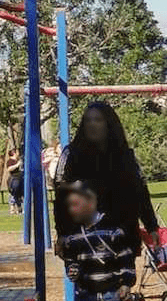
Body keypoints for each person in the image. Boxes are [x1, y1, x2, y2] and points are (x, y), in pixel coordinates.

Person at [54, 101, 160, 257]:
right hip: (83, 235)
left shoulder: (124, 156)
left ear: (108, 124)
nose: (92, 125)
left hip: (120, 233)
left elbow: (139, 191)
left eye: (98, 120)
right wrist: (62, 233)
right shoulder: (72, 154)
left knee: (122, 279)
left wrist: (151, 226)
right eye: (88, 120)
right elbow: (62, 196)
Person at [60, 181, 134, 301]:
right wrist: (73, 269)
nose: (73, 210)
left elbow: (126, 258)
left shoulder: (112, 230)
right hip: (87, 295)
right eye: (70, 206)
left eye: (76, 205)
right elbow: (71, 260)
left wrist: (126, 283)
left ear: (91, 204)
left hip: (112, 294)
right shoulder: (73, 234)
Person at [6, 149, 24, 215]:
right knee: (14, 193)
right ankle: (13, 208)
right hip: (14, 179)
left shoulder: (19, 160)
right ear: (14, 153)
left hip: (20, 179)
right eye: (17, 153)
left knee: (20, 194)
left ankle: (19, 208)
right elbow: (9, 169)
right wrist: (17, 165)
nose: (18, 154)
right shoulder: (10, 161)